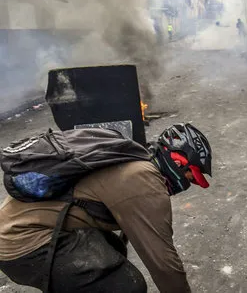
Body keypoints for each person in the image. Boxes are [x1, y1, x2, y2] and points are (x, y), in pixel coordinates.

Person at [0, 123, 213, 293]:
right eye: (190, 176)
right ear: (178, 163)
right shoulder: (145, 182)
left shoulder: (135, 158)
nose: (187, 184)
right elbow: (163, 262)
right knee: (127, 286)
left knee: (113, 252)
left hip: (23, 226)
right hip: (22, 244)